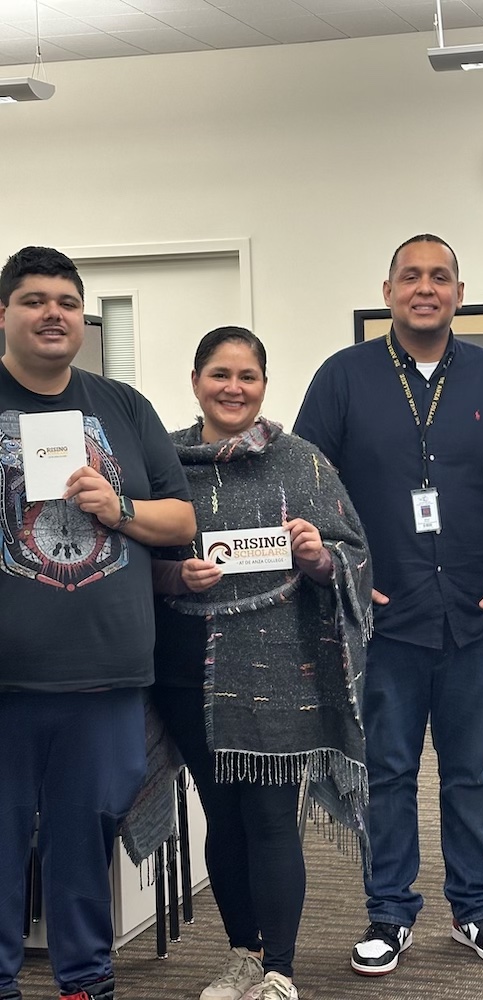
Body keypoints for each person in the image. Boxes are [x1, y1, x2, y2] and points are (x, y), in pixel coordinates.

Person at [294, 234, 483, 976]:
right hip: (382, 619)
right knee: (388, 772)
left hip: (476, 612)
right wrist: (342, 575)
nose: (425, 288)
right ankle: (389, 912)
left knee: (472, 774)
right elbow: (305, 486)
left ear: (460, 292)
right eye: (410, 276)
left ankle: (477, 909)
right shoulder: (343, 377)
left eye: (440, 277)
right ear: (388, 290)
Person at [150, 326, 371, 1000]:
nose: (234, 388)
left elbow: (354, 556)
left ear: (265, 386)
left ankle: (280, 971)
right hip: (188, 669)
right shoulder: (164, 461)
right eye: (220, 374)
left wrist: (318, 557)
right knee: (222, 818)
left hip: (279, 672)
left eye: (247, 376)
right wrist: (175, 576)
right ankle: (243, 955)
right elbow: (130, 559)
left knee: (272, 818)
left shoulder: (301, 462)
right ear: (196, 382)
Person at [0, 246, 196, 1000]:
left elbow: (181, 519)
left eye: (67, 302)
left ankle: (86, 981)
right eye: (34, 300)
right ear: (4, 314)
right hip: (6, 681)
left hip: (104, 674)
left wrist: (117, 507)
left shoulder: (123, 407)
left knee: (86, 843)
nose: (53, 314)